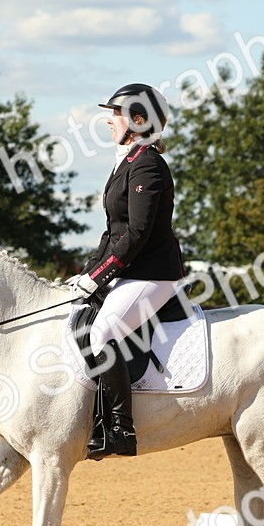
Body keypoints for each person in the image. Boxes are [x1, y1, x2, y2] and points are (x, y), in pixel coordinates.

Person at [72, 83, 186, 460]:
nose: (109, 120)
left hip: (153, 275)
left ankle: (121, 428)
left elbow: (137, 234)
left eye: (116, 115)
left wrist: (98, 277)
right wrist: (86, 273)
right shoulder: (128, 162)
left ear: (138, 120)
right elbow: (113, 231)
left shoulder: (149, 165)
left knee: (103, 331)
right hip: (130, 272)